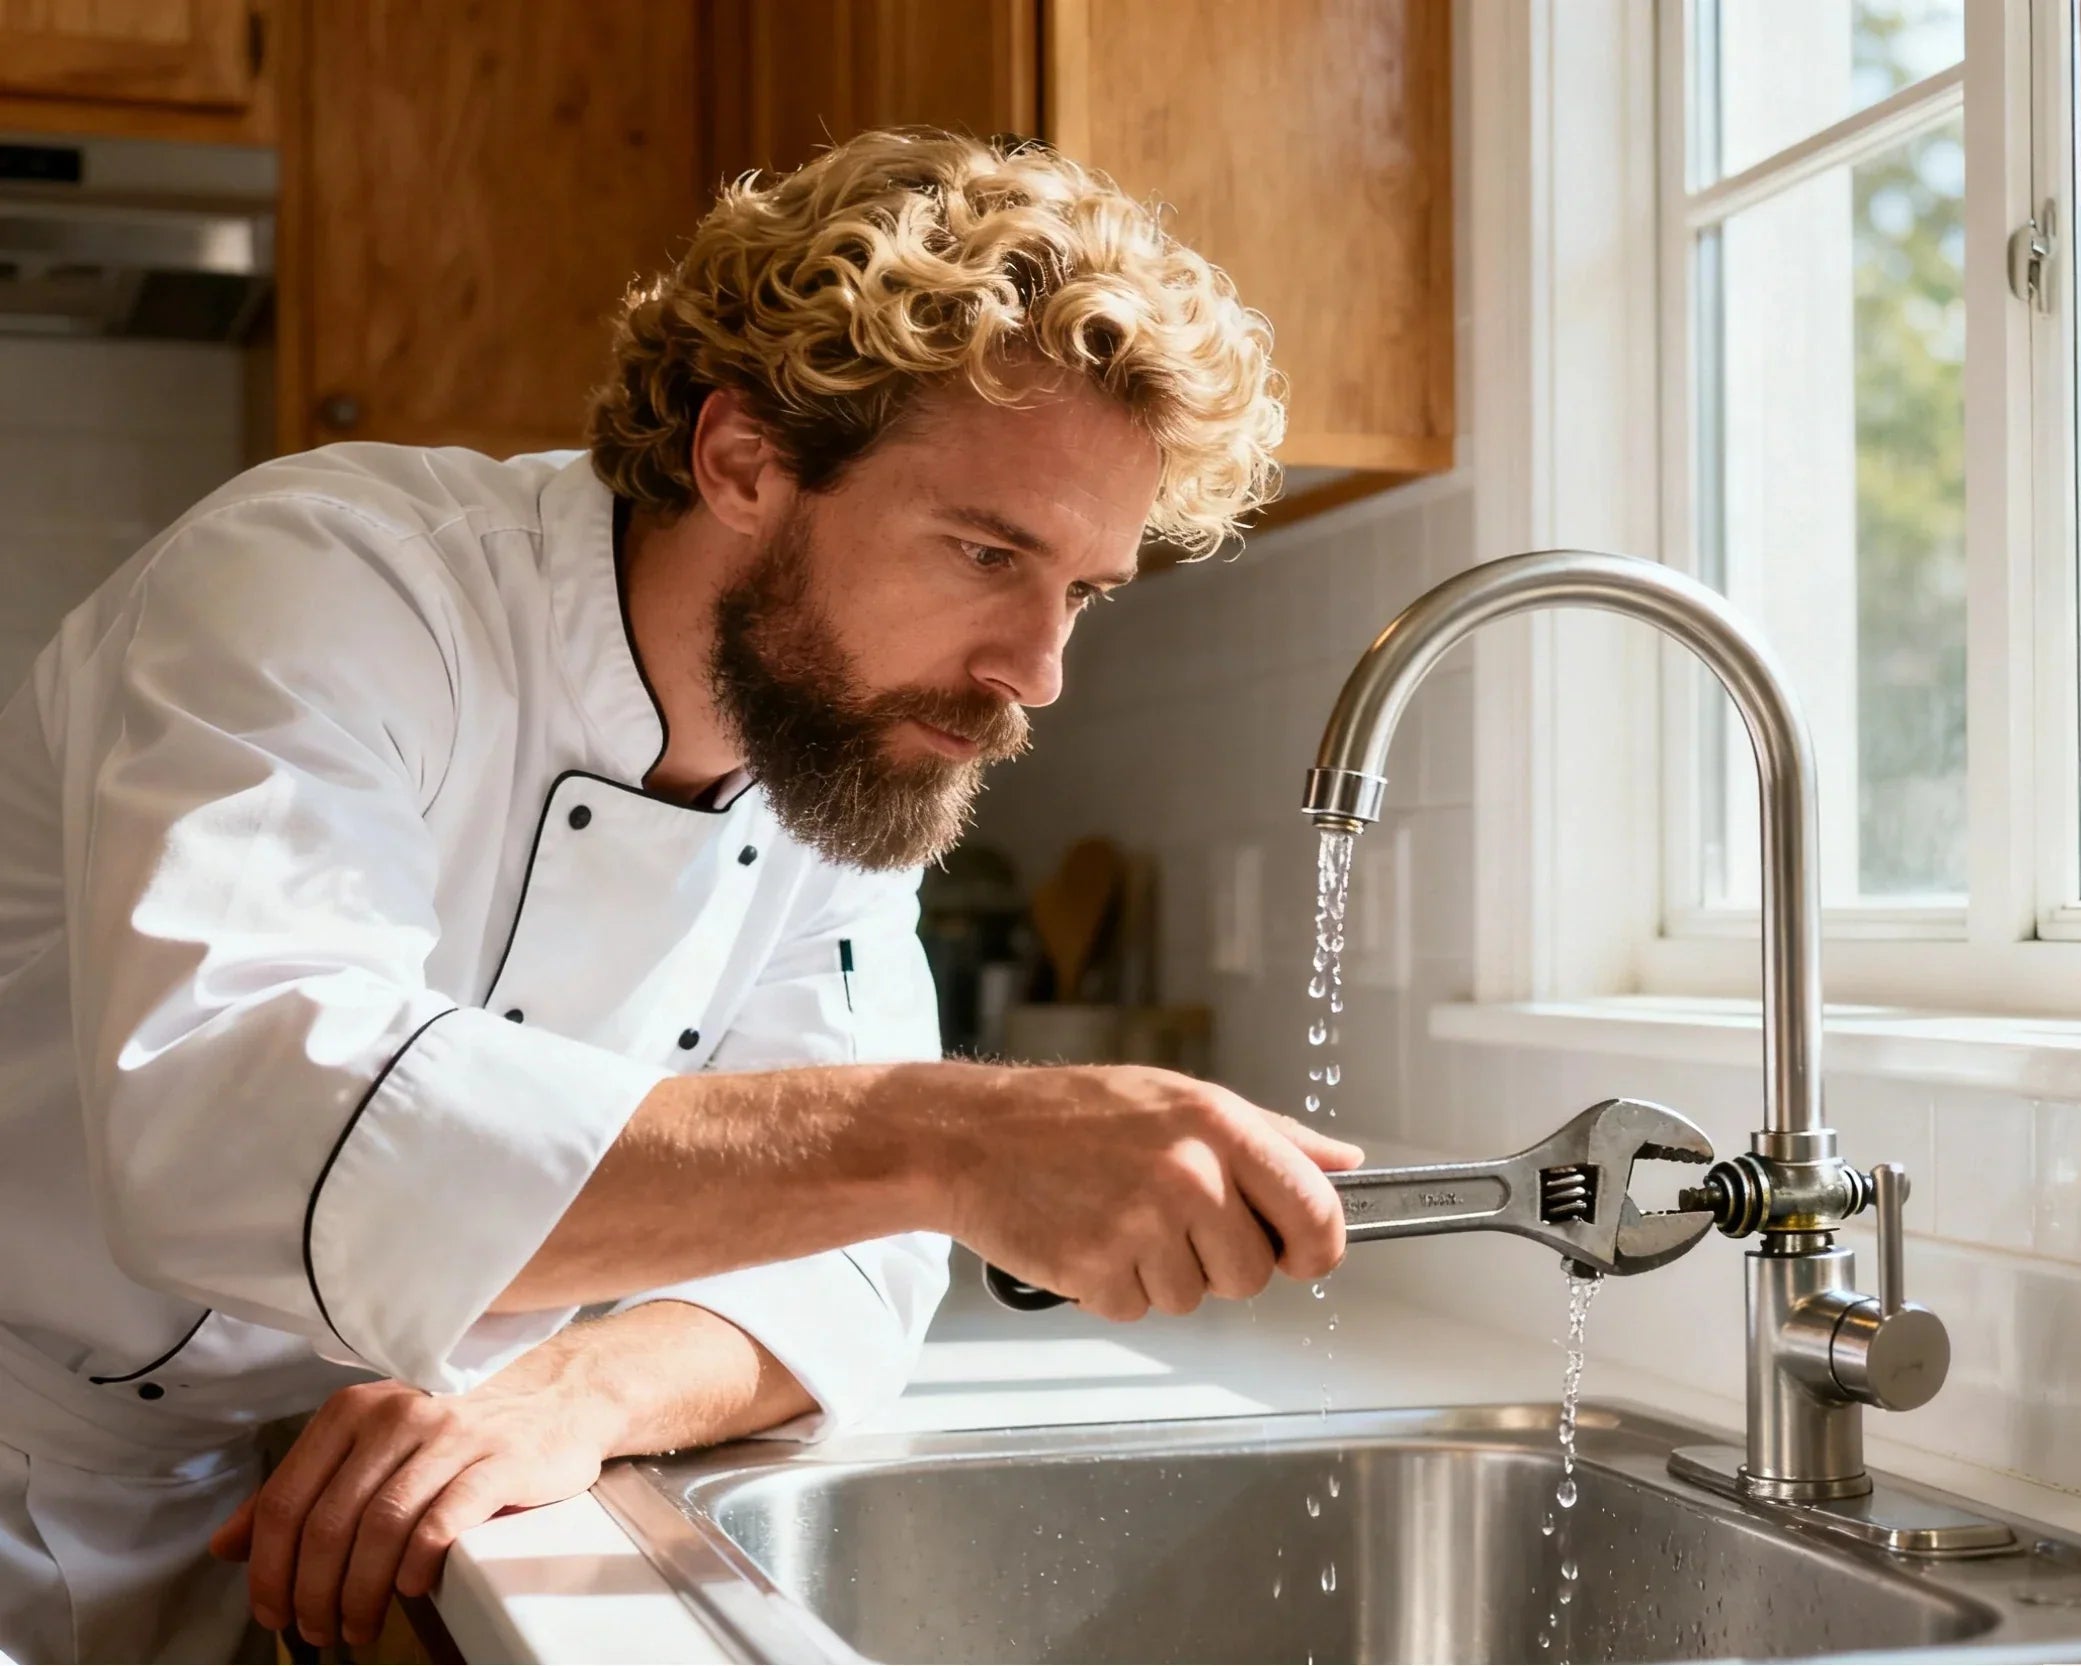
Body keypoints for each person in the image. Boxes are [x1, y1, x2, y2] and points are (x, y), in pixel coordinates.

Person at [0, 128, 1364, 1661]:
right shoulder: (331, 581)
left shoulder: (833, 757)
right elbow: (233, 1110)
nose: (1033, 671)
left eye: (1083, 591)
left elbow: (860, 1261)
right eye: (987, 551)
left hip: (322, 1501)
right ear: (741, 462)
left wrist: (581, 1390)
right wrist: (957, 1131)